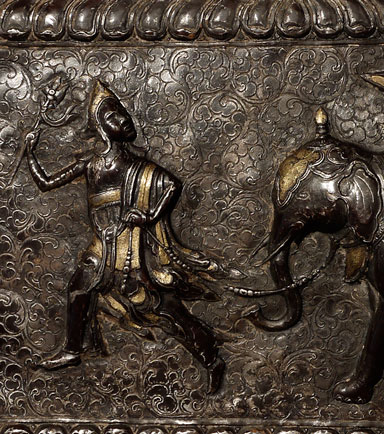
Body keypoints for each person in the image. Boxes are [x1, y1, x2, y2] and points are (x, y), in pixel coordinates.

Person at [26, 81, 239, 394]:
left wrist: (149, 216)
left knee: (163, 308)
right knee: (78, 288)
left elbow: (171, 185)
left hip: (131, 247)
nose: (123, 119)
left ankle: (210, 357)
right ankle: (73, 350)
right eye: (113, 116)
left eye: (123, 113)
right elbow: (46, 183)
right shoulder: (92, 165)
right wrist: (30, 152)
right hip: (101, 245)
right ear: (102, 128)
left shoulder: (136, 166)